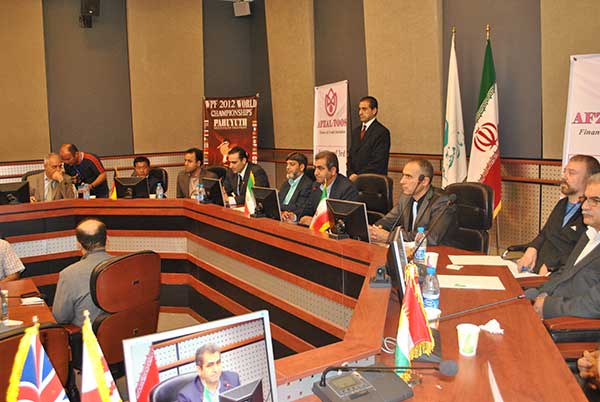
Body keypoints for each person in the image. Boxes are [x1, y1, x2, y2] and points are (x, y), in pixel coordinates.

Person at [528, 173, 600, 319]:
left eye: (595, 201)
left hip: (568, 323)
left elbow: (594, 305)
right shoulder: (589, 235)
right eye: (585, 199)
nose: (584, 207)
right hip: (551, 304)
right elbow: (565, 273)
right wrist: (538, 293)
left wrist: (547, 306)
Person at [517, 154, 600, 274]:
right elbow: (545, 233)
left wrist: (551, 268)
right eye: (565, 171)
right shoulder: (562, 204)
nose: (564, 176)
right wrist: (532, 248)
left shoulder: (591, 215)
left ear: (589, 179)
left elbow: (580, 254)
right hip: (533, 271)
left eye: (571, 173)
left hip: (558, 275)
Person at [369, 159, 456, 245]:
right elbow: (388, 221)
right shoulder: (405, 197)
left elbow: (431, 238)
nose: (401, 181)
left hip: (439, 251)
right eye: (403, 175)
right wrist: (375, 230)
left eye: (408, 176)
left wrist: (389, 236)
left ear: (424, 181)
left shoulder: (442, 201)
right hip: (411, 248)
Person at [52, 218, 112, 327]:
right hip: (124, 332)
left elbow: (60, 317)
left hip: (86, 336)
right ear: (107, 240)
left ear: (78, 244)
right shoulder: (125, 265)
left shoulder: (68, 274)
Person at [292, 151, 358, 226]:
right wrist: (294, 217)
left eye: (320, 168)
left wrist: (315, 222)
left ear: (333, 171)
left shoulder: (347, 189)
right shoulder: (316, 186)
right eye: (315, 168)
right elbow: (307, 210)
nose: (316, 173)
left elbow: (343, 222)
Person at [347, 96, 391, 181]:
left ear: (374, 111)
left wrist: (358, 177)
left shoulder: (382, 132)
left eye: (364, 109)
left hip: (372, 182)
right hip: (353, 182)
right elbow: (351, 157)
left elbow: (378, 162)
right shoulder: (355, 132)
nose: (360, 112)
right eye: (359, 109)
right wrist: (350, 173)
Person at [279, 152, 314, 220]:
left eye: (292, 164)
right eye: (287, 164)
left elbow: (298, 208)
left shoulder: (307, 185)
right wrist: (280, 211)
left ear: (301, 167)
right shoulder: (286, 183)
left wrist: (281, 209)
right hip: (281, 216)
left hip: (293, 220)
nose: (287, 167)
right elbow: (278, 201)